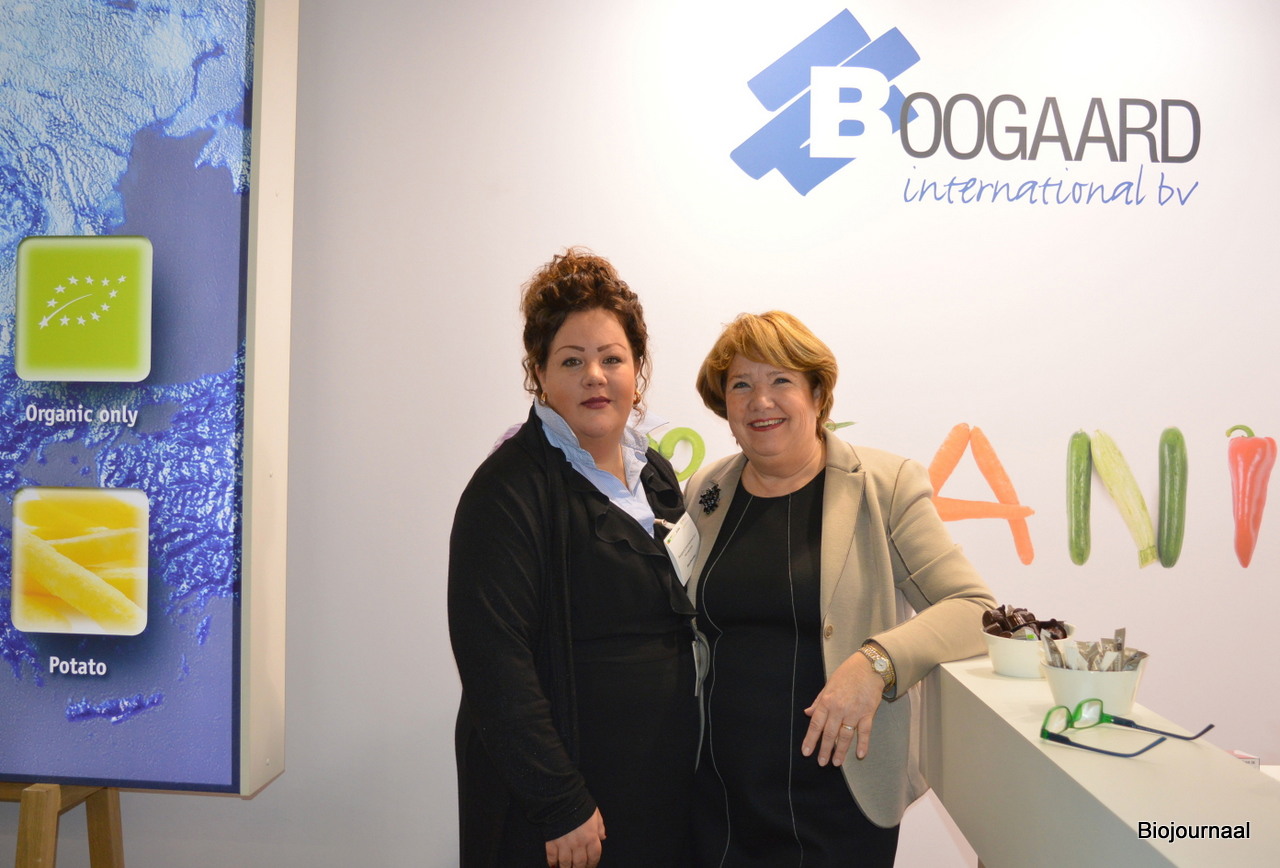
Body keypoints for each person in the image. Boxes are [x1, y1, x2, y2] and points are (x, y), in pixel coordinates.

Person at [685, 311, 996, 867]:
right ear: (723, 404)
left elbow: (975, 609)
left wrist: (877, 662)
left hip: (838, 796)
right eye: (741, 385)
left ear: (817, 393)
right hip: (719, 799)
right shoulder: (706, 490)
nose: (760, 401)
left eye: (781, 380)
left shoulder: (885, 485)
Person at [448, 249, 698, 868]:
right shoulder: (508, 489)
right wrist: (557, 800)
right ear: (539, 372)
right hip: (567, 812)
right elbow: (494, 662)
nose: (595, 376)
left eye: (612, 358)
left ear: (637, 369)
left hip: (660, 794)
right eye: (571, 360)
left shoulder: (656, 474)